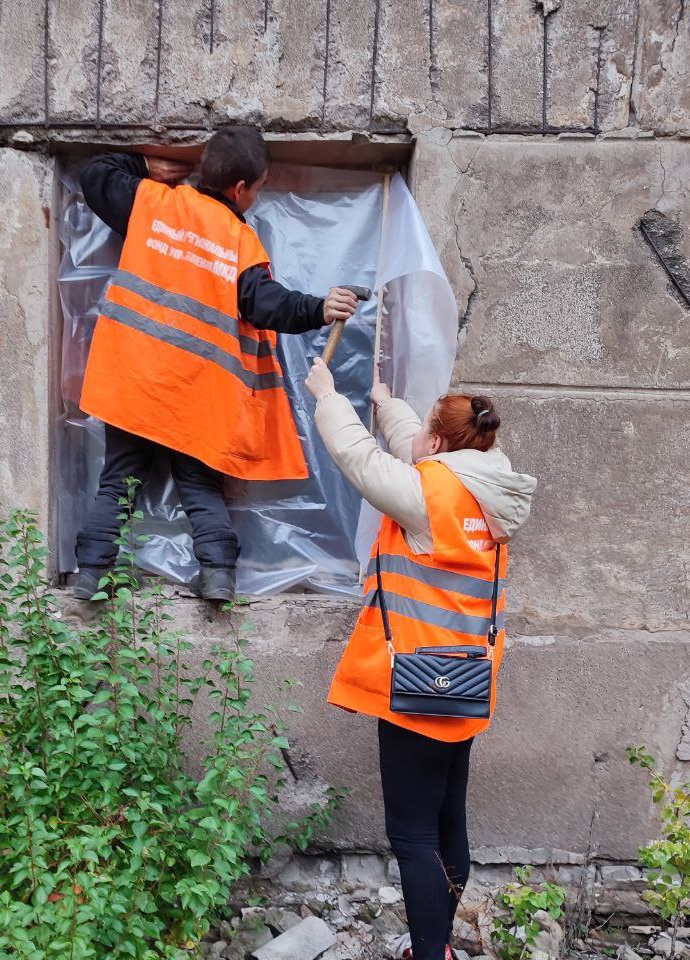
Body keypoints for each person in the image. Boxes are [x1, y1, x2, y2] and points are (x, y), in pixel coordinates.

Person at [305, 357, 537, 960]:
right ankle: (438, 947)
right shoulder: (489, 488)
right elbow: (417, 452)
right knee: (447, 822)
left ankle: (431, 954)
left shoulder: (427, 497)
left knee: (411, 835)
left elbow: (362, 461)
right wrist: (387, 404)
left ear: (438, 442)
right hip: (467, 678)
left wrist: (329, 396)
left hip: (416, 683)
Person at [73, 126, 359, 602]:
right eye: (262, 186)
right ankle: (219, 576)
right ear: (241, 189)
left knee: (117, 483)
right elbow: (266, 303)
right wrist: (319, 308)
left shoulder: (155, 204)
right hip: (196, 389)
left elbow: (95, 173)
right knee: (201, 487)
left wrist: (148, 166)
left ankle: (89, 576)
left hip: (136, 379)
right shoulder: (240, 239)